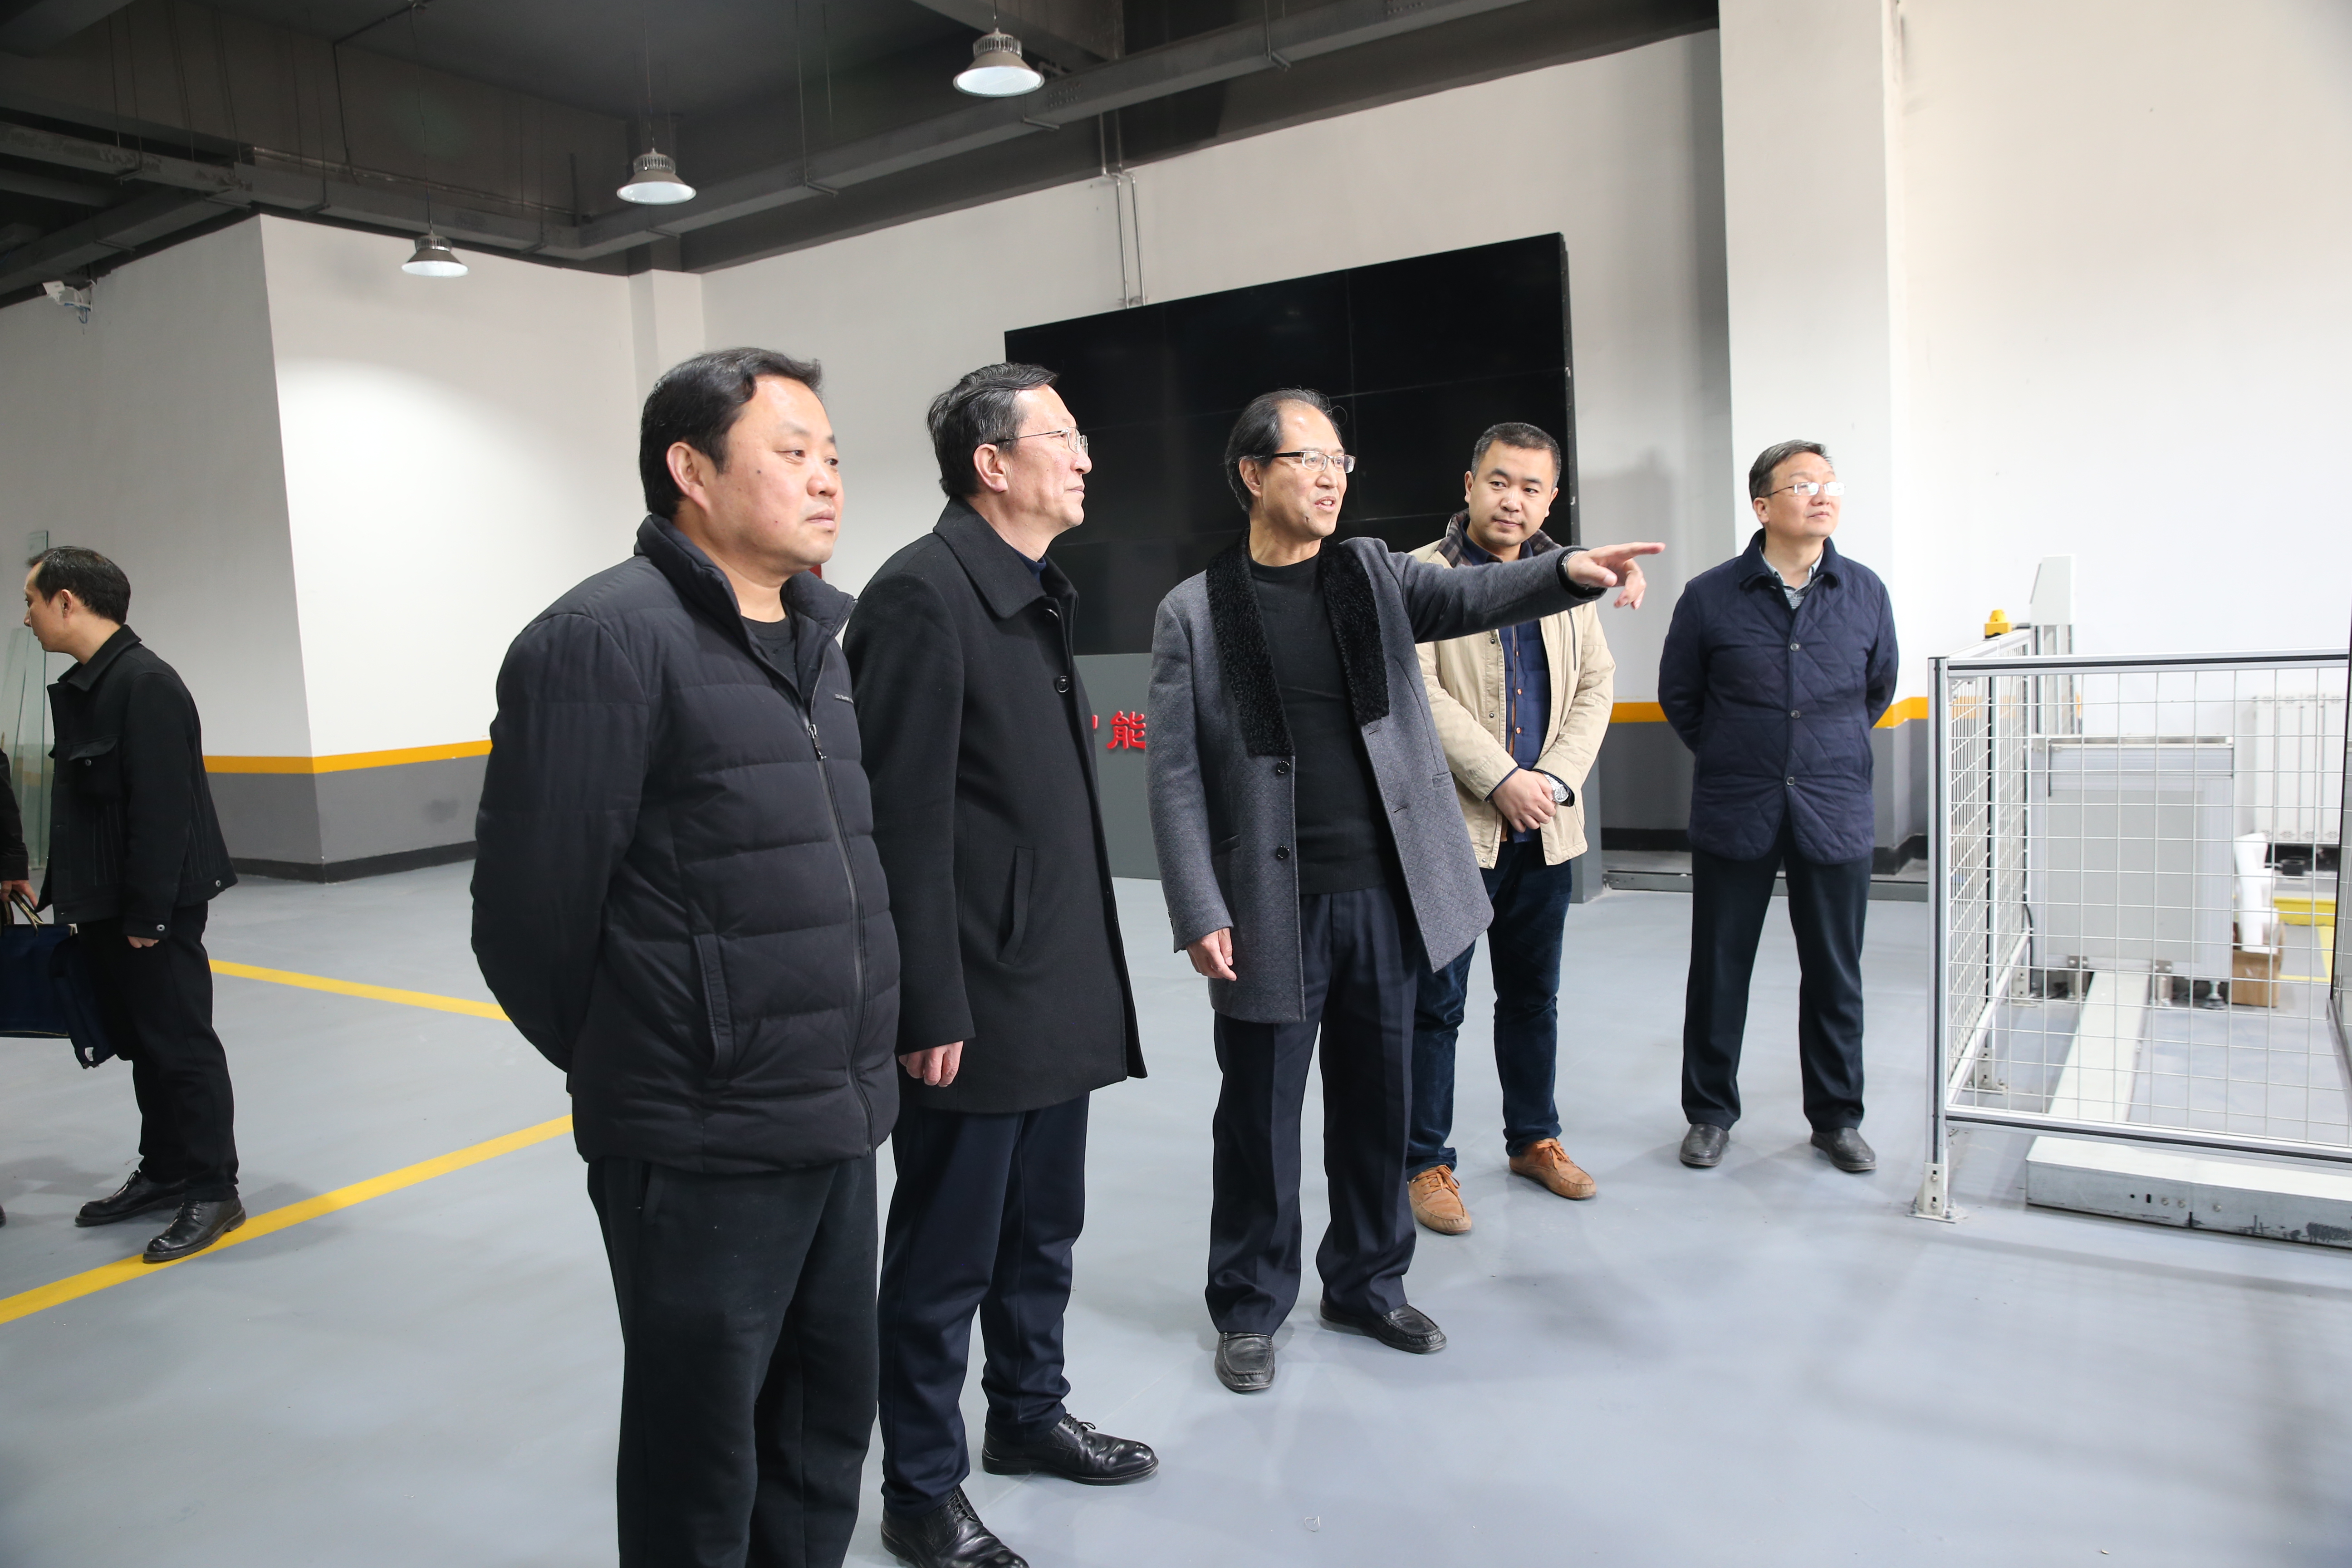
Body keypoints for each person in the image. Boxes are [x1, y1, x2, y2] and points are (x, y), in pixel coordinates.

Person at [472, 348, 899, 1568]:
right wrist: (665, 1055)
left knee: (822, 1427)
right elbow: (529, 924)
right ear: (691, 471)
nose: (827, 479)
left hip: (833, 1110)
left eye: (832, 456)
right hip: (702, 1131)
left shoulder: (825, 636)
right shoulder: (601, 641)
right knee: (700, 1454)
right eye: (793, 453)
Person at [1148, 388, 1661, 1394]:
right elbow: (1173, 776)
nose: (1331, 478)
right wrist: (1200, 907)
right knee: (1258, 1117)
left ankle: (1367, 1284)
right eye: (1308, 459)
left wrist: (1568, 571)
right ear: (1252, 474)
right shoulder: (1198, 611)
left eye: (1340, 461)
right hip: (1268, 908)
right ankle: (1249, 1304)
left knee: (1379, 1105)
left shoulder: (1372, 575)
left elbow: (1477, 597)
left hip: (1387, 893)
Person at [845, 363, 1155, 1568]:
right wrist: (927, 999)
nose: (1085, 457)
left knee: (1041, 1231)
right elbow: (900, 819)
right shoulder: (923, 595)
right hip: (972, 996)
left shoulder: (1032, 591)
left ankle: (1027, 1414)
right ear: (992, 462)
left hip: (1051, 981)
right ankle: (922, 1491)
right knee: (944, 1258)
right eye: (1062, 437)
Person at [1403, 422, 1633, 1236]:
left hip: (1546, 831)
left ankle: (1534, 1139)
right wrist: (1500, 778)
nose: (1513, 500)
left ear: (1551, 498)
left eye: (1532, 487)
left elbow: (1597, 685)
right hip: (1454, 833)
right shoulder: (1421, 578)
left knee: (1534, 997)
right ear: (1470, 485)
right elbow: (1417, 691)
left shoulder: (1568, 578)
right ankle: (1424, 1161)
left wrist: (1554, 782)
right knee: (1437, 1005)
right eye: (1499, 481)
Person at [1657, 440, 1897, 1175]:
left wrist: (1819, 752)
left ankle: (1837, 1118)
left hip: (1834, 804)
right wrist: (1740, 751)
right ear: (1762, 506)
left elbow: (1877, 690)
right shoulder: (1710, 596)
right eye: (1802, 484)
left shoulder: (1864, 592)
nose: (1822, 495)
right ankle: (1709, 1114)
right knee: (1720, 968)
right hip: (1738, 804)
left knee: (1835, 972)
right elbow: (1681, 696)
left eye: (1830, 483)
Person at [24, 547, 240, 1262]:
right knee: (145, 1044)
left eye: (31, 601)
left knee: (181, 1046)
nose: (26, 618)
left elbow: (165, 811)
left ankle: (214, 1188)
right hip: (107, 904)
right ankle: (167, 1169)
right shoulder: (95, 684)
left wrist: (149, 914)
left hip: (149, 909)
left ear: (67, 601)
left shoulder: (145, 684)